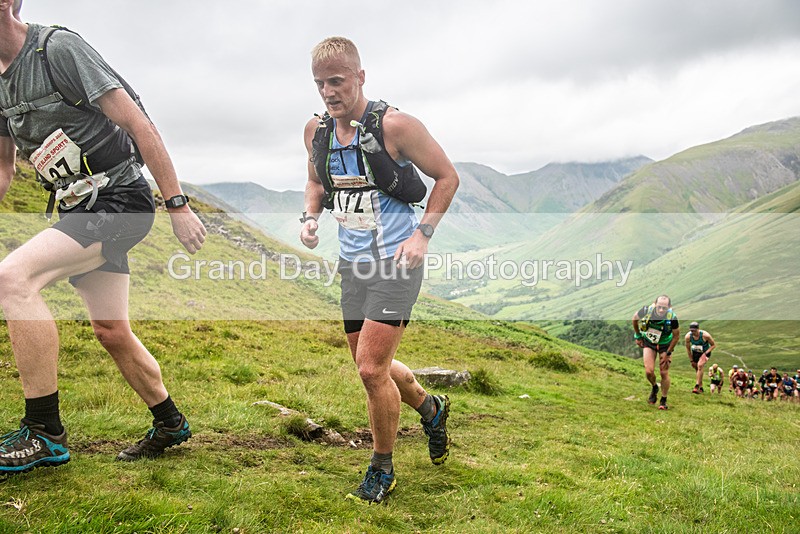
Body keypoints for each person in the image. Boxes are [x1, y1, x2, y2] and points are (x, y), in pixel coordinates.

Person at [0, 1, 206, 474]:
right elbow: (3, 167)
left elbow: (138, 123)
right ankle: (170, 422)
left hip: (120, 201)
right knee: (111, 329)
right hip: (77, 207)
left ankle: (44, 431)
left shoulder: (57, 49)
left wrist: (177, 204)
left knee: (12, 279)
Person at [300, 37, 459, 504]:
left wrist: (422, 235)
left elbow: (447, 177)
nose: (329, 91)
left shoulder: (396, 126)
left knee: (371, 369)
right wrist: (310, 217)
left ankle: (382, 468)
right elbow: (314, 181)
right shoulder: (317, 132)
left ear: (360, 77)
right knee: (372, 366)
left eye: (337, 81)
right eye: (320, 83)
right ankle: (431, 409)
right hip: (353, 266)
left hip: (396, 263)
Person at [633, 295, 680, 410]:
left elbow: (676, 336)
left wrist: (668, 353)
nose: (661, 310)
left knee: (664, 372)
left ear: (669, 307)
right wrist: (638, 335)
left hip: (665, 344)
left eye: (664, 308)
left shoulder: (672, 318)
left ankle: (663, 400)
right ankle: (654, 387)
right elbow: (634, 319)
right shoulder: (646, 310)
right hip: (649, 342)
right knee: (649, 371)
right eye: (659, 307)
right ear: (655, 304)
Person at [684, 322, 716, 394]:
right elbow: (688, 349)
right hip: (695, 353)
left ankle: (697, 386)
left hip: (705, 352)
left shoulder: (705, 335)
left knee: (700, 365)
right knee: (697, 369)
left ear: (698, 329)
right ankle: (701, 388)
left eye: (694, 331)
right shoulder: (688, 337)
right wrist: (691, 360)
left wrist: (705, 354)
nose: (693, 332)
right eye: (691, 331)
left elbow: (713, 345)